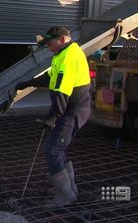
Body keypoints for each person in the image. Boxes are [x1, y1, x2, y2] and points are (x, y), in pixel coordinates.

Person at [15, 26, 91, 208]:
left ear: (63, 39)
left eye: (50, 43)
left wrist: (53, 116)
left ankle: (66, 195)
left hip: (72, 111)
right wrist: (28, 83)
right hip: (71, 109)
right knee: (57, 148)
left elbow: (61, 92)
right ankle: (70, 188)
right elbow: (50, 78)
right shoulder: (63, 54)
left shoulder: (68, 57)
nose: (48, 47)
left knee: (52, 150)